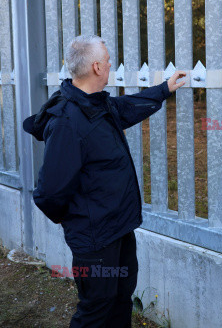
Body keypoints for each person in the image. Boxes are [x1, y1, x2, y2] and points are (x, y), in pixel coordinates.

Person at [22, 34, 186, 328]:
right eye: (108, 61)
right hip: (94, 239)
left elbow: (125, 108)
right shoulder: (67, 122)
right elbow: (49, 192)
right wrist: (80, 221)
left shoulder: (97, 104)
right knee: (96, 310)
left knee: (120, 298)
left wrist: (163, 90)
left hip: (119, 229)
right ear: (97, 67)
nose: (111, 65)